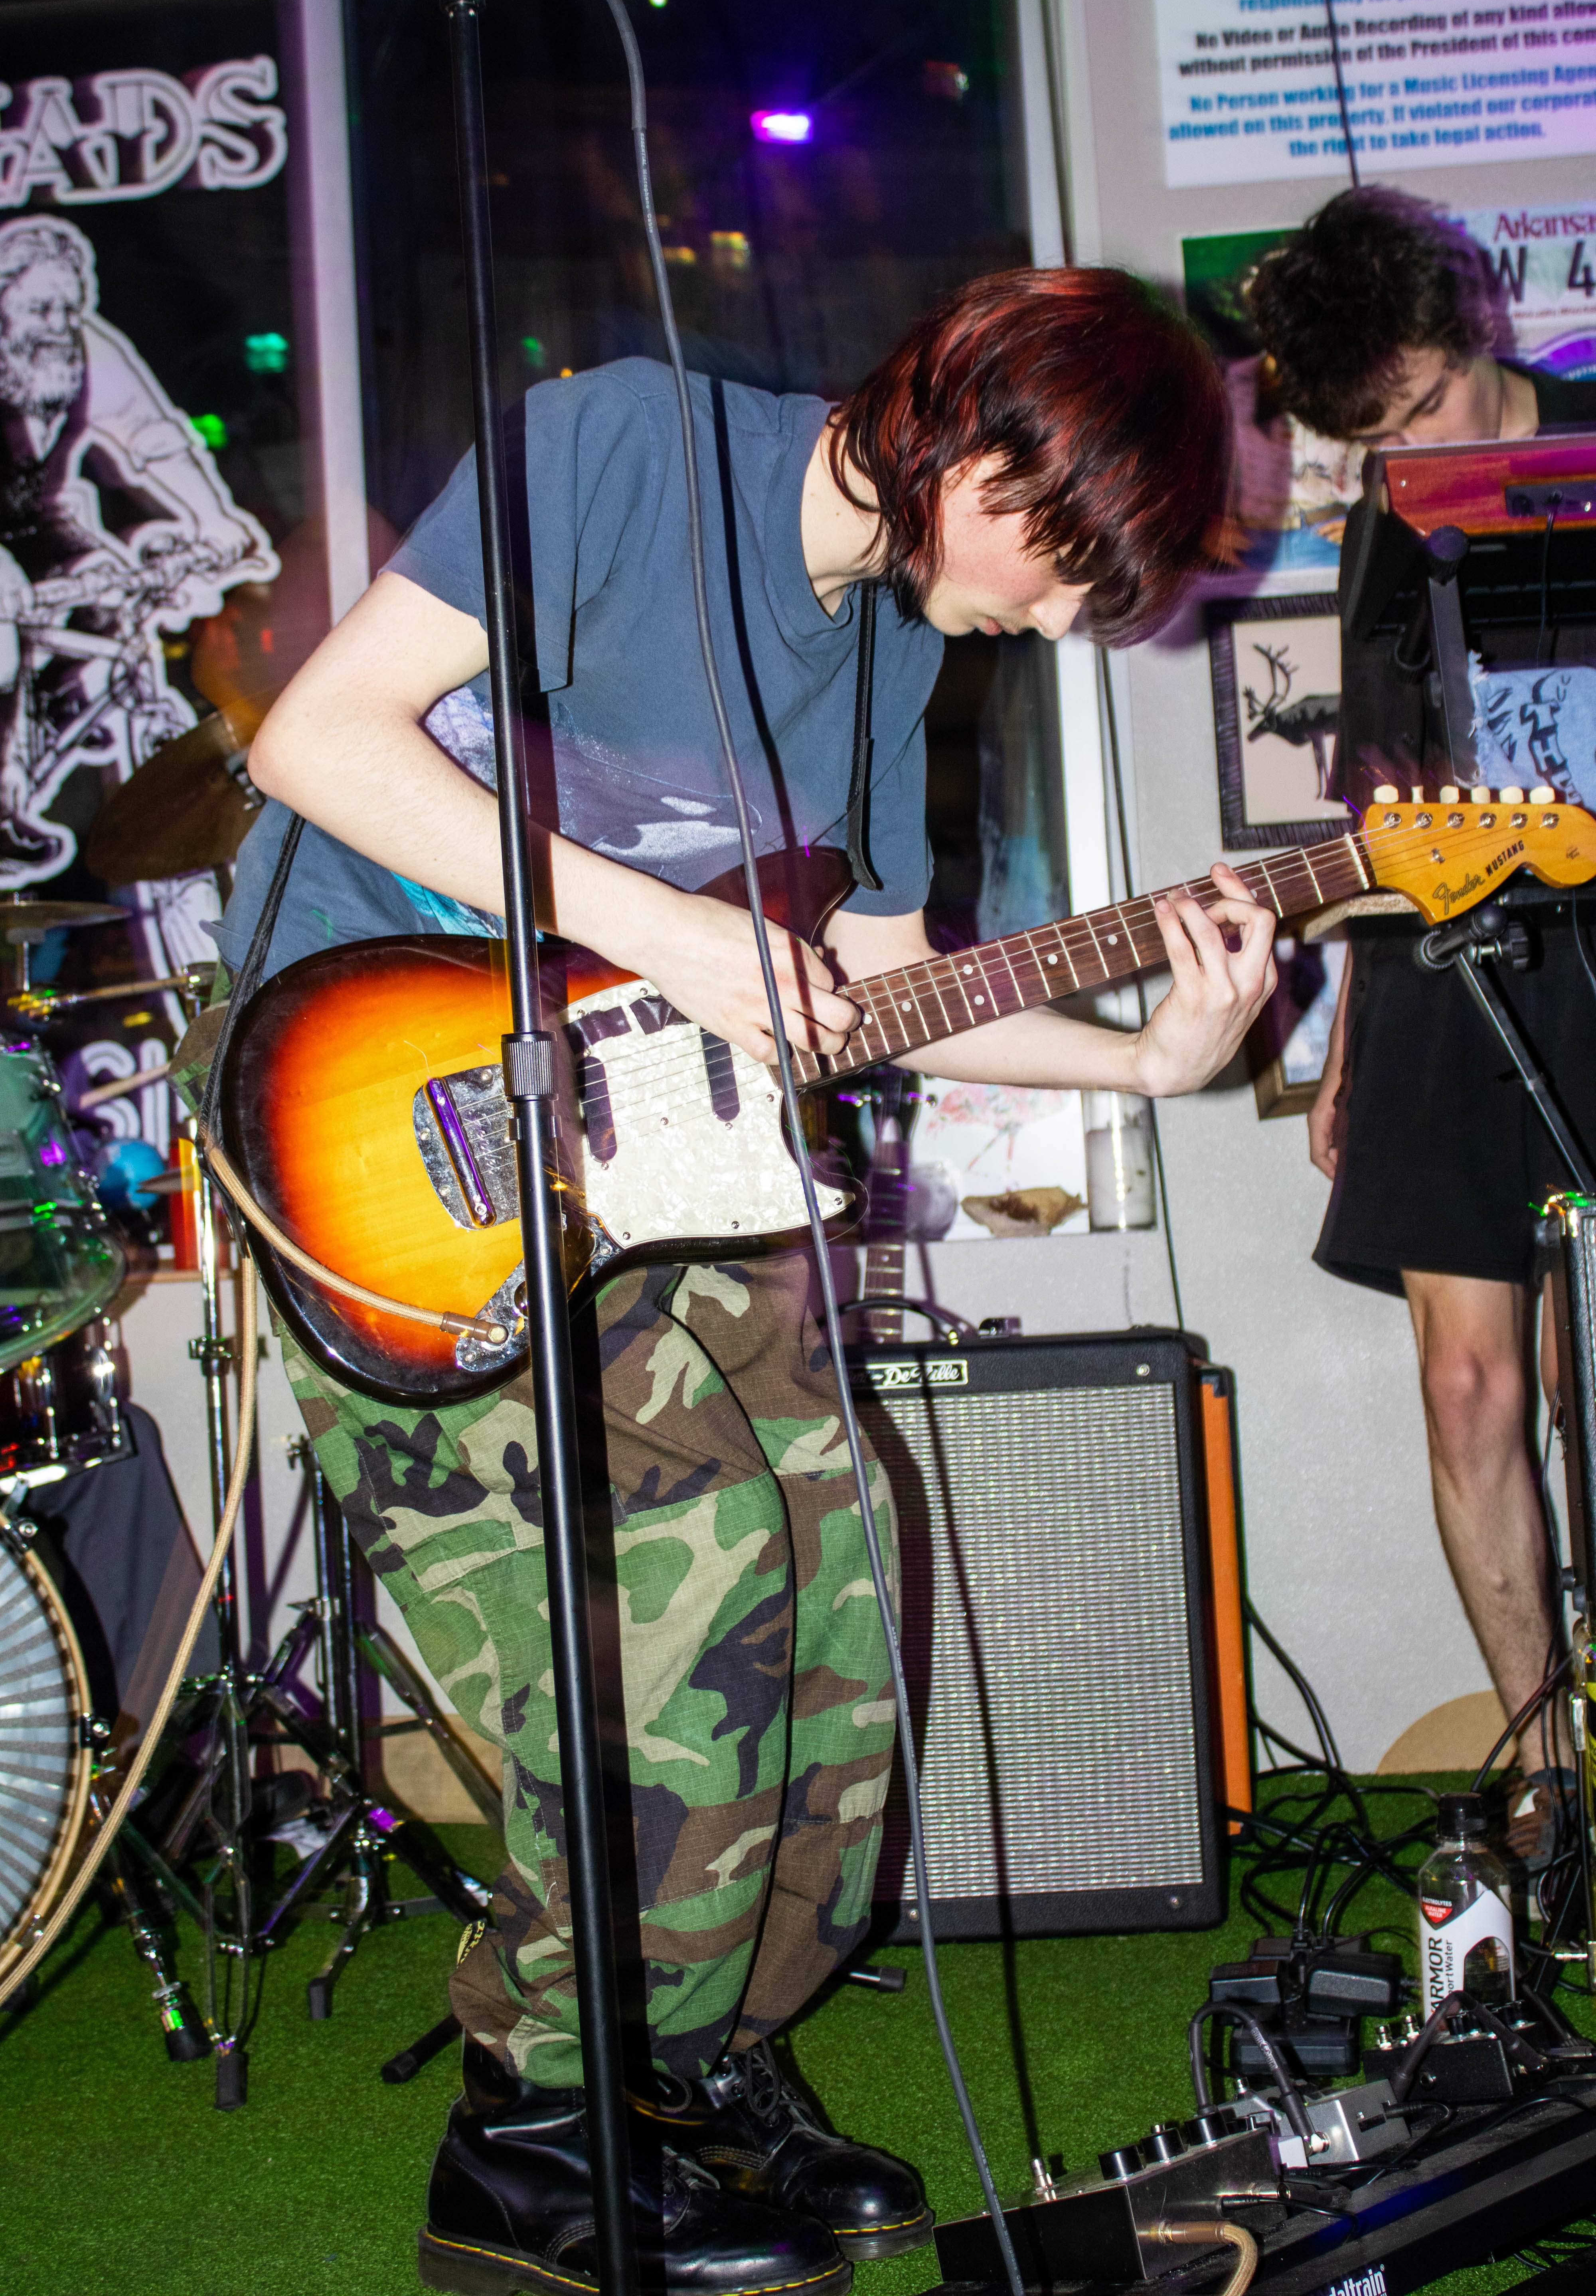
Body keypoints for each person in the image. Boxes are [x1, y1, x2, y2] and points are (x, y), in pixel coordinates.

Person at [227, 266, 1276, 2296]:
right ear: (983, 449)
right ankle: (532, 2132)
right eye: (1072, 564)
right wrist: (677, 934)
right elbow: (314, 741)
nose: (1070, 619)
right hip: (378, 1115)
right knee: (670, 1591)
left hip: (641, 1138)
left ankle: (695, 2060)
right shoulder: (623, 448)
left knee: (839, 1536)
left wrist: (1150, 1060)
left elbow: (875, 989)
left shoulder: (886, 651)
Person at [1248, 186, 1594, 1858]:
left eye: (1425, 409)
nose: (1408, 454)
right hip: (1451, 971)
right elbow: (1381, 796)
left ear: (1478, 325)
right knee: (1469, 1387)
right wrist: (1345, 1044)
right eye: (1372, 439)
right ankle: (1548, 1771)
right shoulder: (1388, 519)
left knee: (1586, 1383)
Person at [0, 215, 269, 877]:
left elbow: (154, 438)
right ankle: (5, 801)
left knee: (112, 595)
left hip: (44, 520)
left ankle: (58, 713)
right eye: (40, 309)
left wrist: (215, 521)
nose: (57, 324)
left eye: (68, 308)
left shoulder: (86, 349)